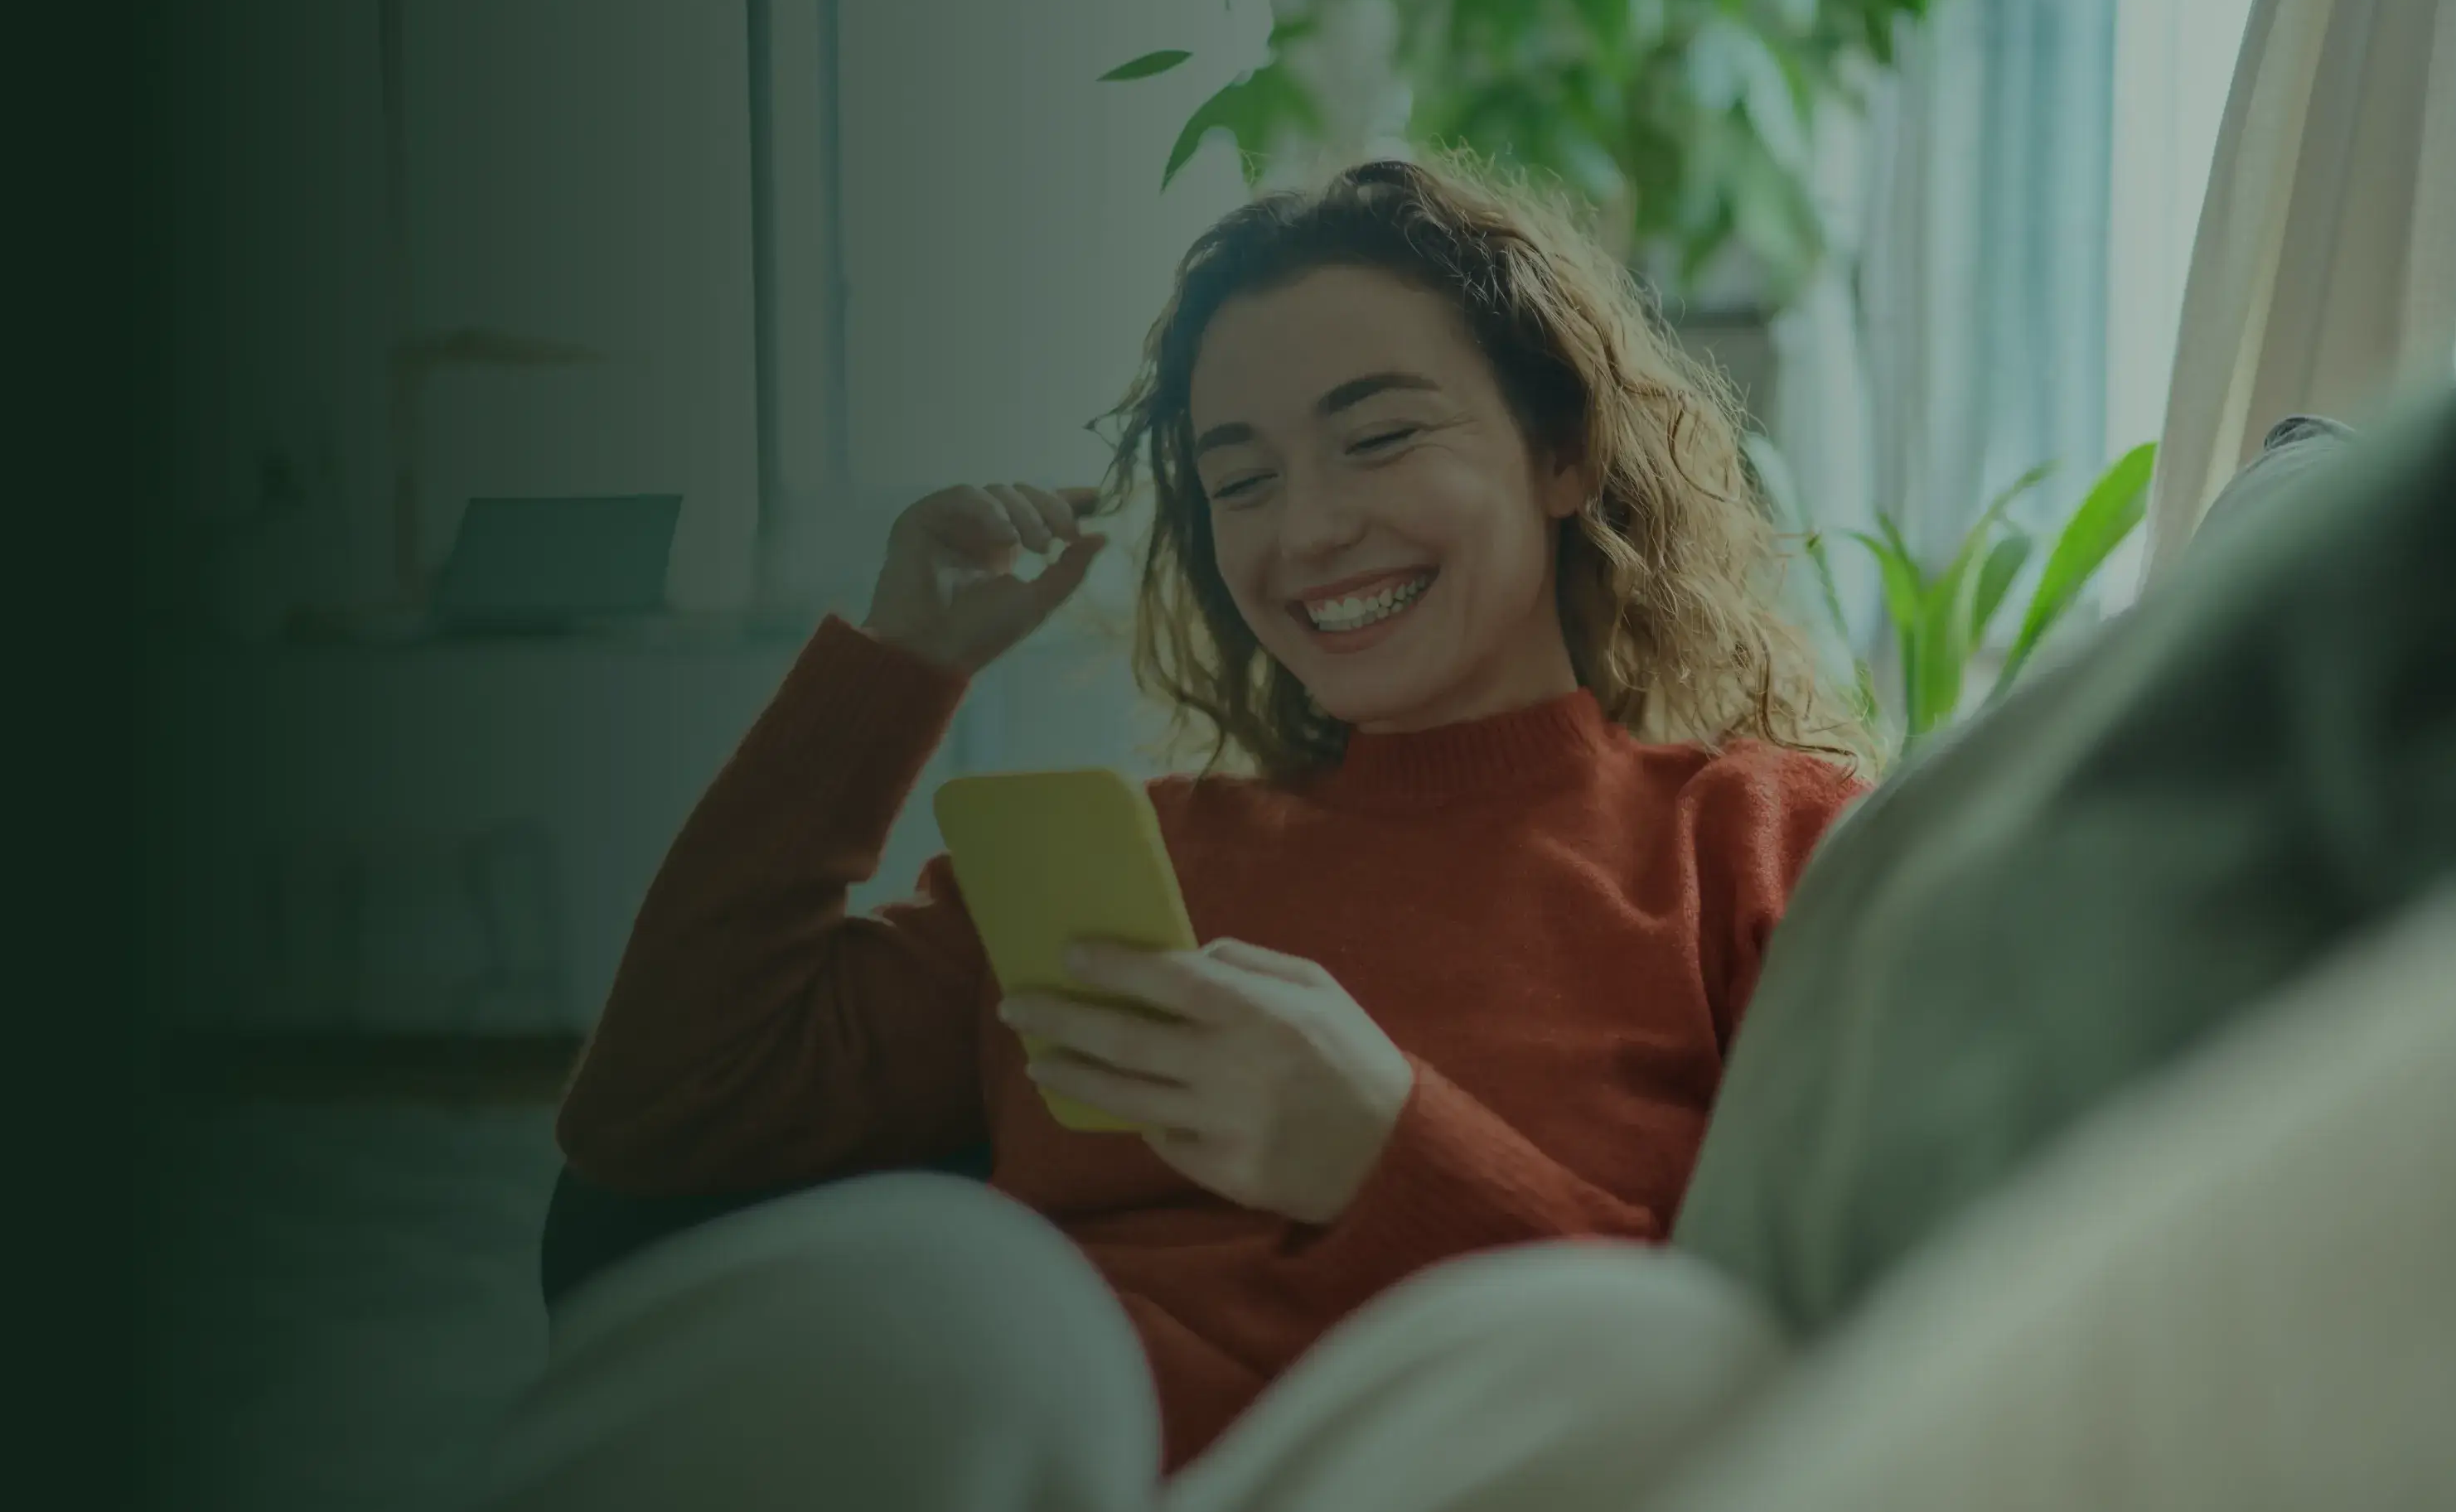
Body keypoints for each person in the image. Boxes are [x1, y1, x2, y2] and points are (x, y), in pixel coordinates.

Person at [484, 157, 1875, 1512]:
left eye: (1379, 435)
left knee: (1662, 1350)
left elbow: (1821, 1359)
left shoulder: (1758, 841)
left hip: (1462, 1463)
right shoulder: (1118, 868)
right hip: (1049, 1458)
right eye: (1241, 480)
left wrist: (1387, 1155)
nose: (1310, 529)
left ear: (1562, 450)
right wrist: (892, 668)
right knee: (954, 1289)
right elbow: (658, 1117)